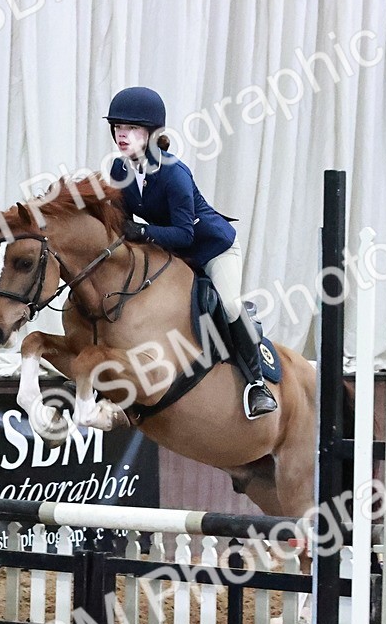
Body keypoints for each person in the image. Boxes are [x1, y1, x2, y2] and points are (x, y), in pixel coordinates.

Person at [102, 86, 278, 420]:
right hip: (171, 253)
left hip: (211, 248)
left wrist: (141, 232)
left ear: (153, 135)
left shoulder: (173, 173)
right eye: (118, 128)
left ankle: (256, 384)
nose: (122, 135)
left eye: (132, 129)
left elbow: (185, 233)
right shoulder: (119, 170)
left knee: (227, 304)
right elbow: (120, 218)